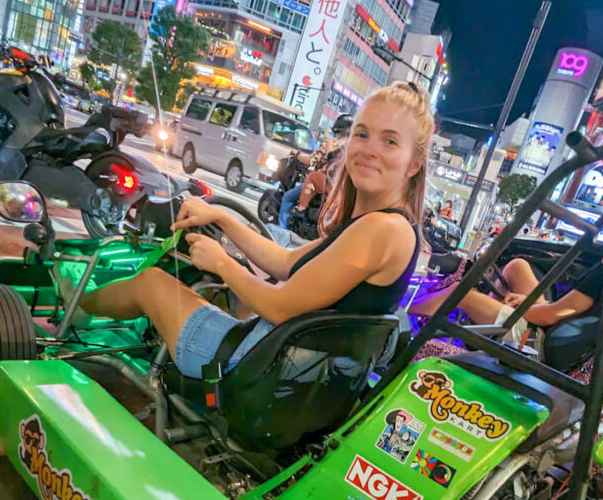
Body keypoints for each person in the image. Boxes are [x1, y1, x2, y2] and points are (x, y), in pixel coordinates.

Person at [58, 82, 433, 378]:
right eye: (362, 134)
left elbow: (279, 305)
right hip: (292, 369)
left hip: (254, 366)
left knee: (152, 282)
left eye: (390, 141)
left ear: (414, 164)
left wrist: (222, 263)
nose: (369, 149)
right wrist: (221, 218)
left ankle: (79, 305)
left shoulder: (382, 230)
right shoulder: (376, 226)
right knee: (209, 293)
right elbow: (285, 262)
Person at [410, 207, 603, 347]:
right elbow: (564, 310)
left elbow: (552, 316)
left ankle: (401, 313)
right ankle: (484, 329)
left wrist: (524, 307)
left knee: (458, 293)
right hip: (561, 325)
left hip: (540, 338)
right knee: (517, 265)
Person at [278, 112, 351, 228]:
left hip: (326, 182)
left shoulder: (331, 144)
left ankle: (281, 230)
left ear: (337, 128)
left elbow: (311, 161)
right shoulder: (351, 147)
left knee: (287, 197)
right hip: (341, 186)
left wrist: (297, 153)